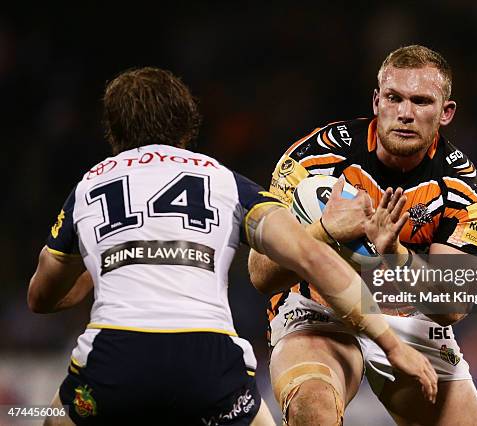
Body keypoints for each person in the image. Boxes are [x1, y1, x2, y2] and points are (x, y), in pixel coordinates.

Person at [28, 67, 438, 426]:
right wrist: (391, 343)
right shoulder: (223, 181)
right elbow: (311, 259)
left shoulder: (89, 187)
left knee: (51, 416)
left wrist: (102, 260)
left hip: (114, 358)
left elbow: (42, 296)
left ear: (113, 131)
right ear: (187, 125)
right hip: (207, 360)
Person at [249, 45, 477, 425]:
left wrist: (394, 253)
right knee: (312, 404)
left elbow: (453, 305)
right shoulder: (315, 158)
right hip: (318, 305)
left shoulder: (464, 189)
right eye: (394, 98)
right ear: (377, 100)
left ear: (446, 113)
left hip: (405, 313)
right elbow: (260, 273)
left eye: (421, 101)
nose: (405, 113)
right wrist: (325, 232)